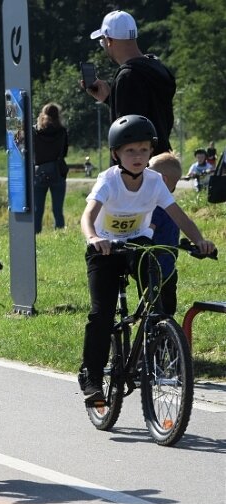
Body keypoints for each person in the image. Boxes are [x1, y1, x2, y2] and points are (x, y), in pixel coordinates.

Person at [78, 115, 215, 405]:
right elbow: (88, 216)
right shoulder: (109, 180)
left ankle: (154, 348)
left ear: (150, 152)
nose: (138, 156)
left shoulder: (154, 182)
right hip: (105, 249)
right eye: (130, 151)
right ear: (116, 154)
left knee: (158, 303)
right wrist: (93, 237)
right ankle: (91, 376)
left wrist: (200, 240)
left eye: (143, 149)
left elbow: (179, 216)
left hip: (139, 245)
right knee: (101, 313)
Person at [85, 10, 176, 157]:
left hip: (138, 171)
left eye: (102, 42)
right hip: (161, 161)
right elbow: (150, 113)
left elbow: (128, 132)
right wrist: (110, 99)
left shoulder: (128, 76)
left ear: (109, 40)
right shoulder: (157, 67)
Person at [148, 152, 183, 315]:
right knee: (167, 311)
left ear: (162, 179)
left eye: (149, 171)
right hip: (170, 269)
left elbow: (149, 231)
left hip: (153, 268)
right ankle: (168, 339)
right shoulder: (173, 206)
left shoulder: (156, 206)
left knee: (154, 311)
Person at [32, 103, 69, 233]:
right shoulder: (62, 131)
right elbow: (64, 152)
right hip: (57, 172)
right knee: (58, 209)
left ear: (43, 115)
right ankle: (59, 232)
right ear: (58, 115)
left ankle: (35, 233)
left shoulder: (35, 131)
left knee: (37, 209)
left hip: (39, 173)